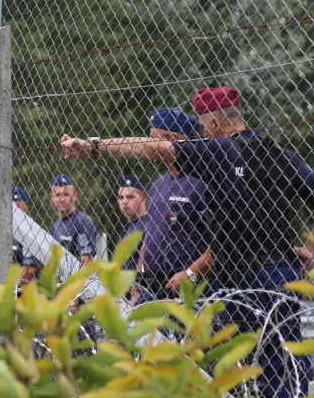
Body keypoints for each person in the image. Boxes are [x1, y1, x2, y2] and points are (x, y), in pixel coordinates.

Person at [60, 86, 314, 398]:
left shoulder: (219, 151)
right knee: (280, 369)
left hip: (239, 278)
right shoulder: (282, 156)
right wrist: (306, 252)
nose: (201, 133)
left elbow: (156, 149)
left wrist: (93, 146)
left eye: (204, 126)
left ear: (218, 125)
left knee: (227, 370)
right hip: (282, 275)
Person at [129, 109, 214, 305]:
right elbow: (149, 236)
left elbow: (221, 244)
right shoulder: (158, 185)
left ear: (168, 138)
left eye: (152, 139)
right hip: (150, 288)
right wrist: (137, 282)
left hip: (186, 290)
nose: (148, 146)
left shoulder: (202, 183)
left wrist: (191, 275)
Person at [49, 174, 98, 265]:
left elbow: (86, 260)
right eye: (58, 195)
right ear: (51, 197)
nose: (62, 199)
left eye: (66, 194)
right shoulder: (55, 226)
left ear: (75, 195)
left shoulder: (83, 222)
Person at [117, 174, 148, 272]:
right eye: (121, 197)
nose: (124, 201)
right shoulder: (130, 225)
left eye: (129, 197)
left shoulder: (149, 224)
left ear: (143, 200)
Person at [12, 186, 43, 282]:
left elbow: (29, 270)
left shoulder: (32, 231)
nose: (14, 211)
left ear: (27, 208)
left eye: (17, 207)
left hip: (24, 291)